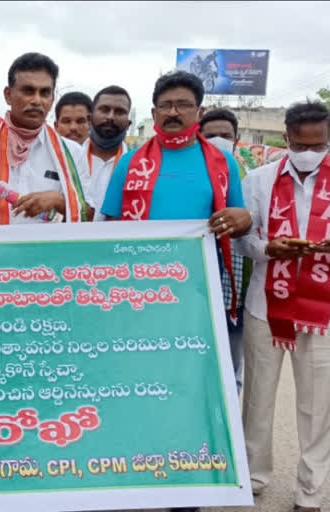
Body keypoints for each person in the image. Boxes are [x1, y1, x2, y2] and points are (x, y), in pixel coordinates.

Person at [100, 73, 252, 512]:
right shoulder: (130, 163)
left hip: (197, 303)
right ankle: (138, 475)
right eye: (165, 105)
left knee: (192, 394)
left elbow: (239, 220)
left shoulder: (222, 164)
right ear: (152, 113)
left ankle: (189, 489)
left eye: (183, 105)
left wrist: (244, 219)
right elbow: (106, 227)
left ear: (198, 113)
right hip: (138, 302)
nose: (173, 112)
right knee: (137, 388)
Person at [234, 101, 330, 512]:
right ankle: (254, 476)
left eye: (319, 144)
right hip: (265, 304)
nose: (309, 152)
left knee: (317, 405)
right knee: (258, 398)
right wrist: (268, 249)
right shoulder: (258, 179)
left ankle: (310, 491)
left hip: (322, 311)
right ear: (286, 138)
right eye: (301, 143)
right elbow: (243, 240)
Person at [0, 52, 88, 235]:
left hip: (48, 259)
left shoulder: (73, 152)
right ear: (8, 95)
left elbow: (89, 213)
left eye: (45, 92)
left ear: (52, 98)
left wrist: (58, 201)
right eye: (28, 91)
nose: (37, 100)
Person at [200, 108, 249, 393]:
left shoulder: (252, 177)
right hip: (197, 288)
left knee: (231, 369)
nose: (218, 140)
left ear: (236, 138)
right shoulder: (196, 176)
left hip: (235, 292)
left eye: (225, 135)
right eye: (211, 136)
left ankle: (228, 432)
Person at [83, 85, 132, 220]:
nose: (110, 117)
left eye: (119, 112)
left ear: (128, 123)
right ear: (90, 118)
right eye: (104, 110)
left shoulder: (138, 166)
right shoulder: (68, 158)